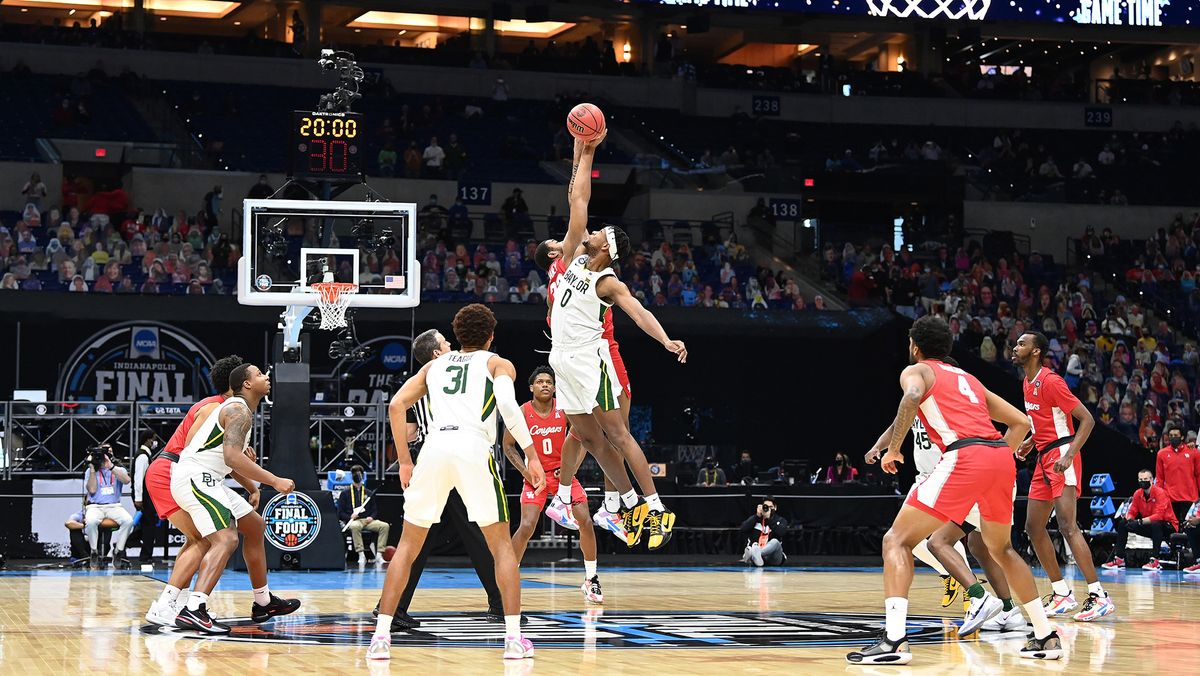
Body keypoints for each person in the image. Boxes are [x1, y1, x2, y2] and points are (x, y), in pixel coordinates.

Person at [846, 316, 1059, 665]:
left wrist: (894, 449)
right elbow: (1021, 422)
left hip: (965, 455)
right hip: (1000, 459)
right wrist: (1001, 457)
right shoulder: (968, 379)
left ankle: (895, 641)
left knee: (896, 541)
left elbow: (911, 397)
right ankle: (1045, 636)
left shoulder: (917, 371)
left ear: (915, 346)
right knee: (1002, 549)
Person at [370, 304, 539, 661]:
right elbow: (508, 406)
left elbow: (397, 405)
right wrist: (531, 455)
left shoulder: (433, 366)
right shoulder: (497, 363)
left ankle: (381, 637)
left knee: (406, 548)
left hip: (433, 450)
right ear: (491, 336)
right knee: (502, 548)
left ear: (457, 337)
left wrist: (403, 461)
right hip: (472, 447)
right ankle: (513, 639)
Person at [543, 133, 687, 551]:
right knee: (588, 439)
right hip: (563, 360)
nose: (587, 233)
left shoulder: (606, 280)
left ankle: (655, 506)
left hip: (592, 359)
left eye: (597, 234)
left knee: (618, 434)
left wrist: (665, 339)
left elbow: (638, 311)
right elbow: (577, 198)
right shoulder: (573, 257)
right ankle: (624, 504)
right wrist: (583, 151)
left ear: (607, 247)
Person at [142, 356, 300, 629]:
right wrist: (273, 480)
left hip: (207, 477)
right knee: (223, 539)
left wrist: (251, 481)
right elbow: (230, 458)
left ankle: (263, 602)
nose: (266, 376)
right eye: (260, 373)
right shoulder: (236, 409)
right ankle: (194, 607)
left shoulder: (238, 409)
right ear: (247, 383)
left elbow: (225, 456)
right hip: (193, 476)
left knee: (254, 525)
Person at [369, 328, 506, 630]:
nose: (451, 344)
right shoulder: (455, 371)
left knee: (414, 541)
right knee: (481, 533)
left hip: (429, 459)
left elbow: (404, 426)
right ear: (436, 353)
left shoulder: (419, 381)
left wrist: (405, 460)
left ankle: (390, 608)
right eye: (445, 343)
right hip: (461, 456)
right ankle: (501, 605)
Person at [1012, 332, 1113, 621]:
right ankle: (1061, 593)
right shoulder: (1026, 383)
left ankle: (1099, 595)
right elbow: (1045, 419)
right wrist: (1031, 441)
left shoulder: (1052, 381)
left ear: (1036, 351)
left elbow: (1087, 420)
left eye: (1022, 344)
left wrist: (1069, 455)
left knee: (1069, 527)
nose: (1016, 347)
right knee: (1033, 527)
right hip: (1043, 457)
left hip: (1062, 455)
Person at [865, 357, 974, 612]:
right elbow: (895, 427)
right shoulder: (914, 403)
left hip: (948, 475)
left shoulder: (949, 404)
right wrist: (877, 447)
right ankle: (950, 574)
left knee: (941, 537)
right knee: (901, 539)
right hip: (923, 477)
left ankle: (972, 589)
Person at [504, 366, 603, 604]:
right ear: (531, 387)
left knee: (585, 522)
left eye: (549, 381)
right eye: (540, 382)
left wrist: (572, 470)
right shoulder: (521, 412)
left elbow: (583, 440)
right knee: (526, 525)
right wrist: (527, 473)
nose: (545, 385)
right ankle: (509, 576)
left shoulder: (564, 409)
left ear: (555, 387)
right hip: (536, 476)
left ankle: (591, 579)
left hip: (563, 477)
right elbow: (508, 446)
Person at [1101, 469, 1179, 571]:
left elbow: (1159, 516)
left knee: (1156, 524)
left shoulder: (1160, 493)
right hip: (1148, 524)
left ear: (1151, 480)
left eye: (1145, 479)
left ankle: (1155, 561)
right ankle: (1119, 559)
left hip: (1168, 525)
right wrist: (1129, 520)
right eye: (1140, 479)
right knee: (1123, 523)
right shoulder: (1138, 493)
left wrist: (1139, 522)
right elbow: (1132, 511)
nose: (1143, 481)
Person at [83, 444, 134, 568]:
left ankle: (118, 551)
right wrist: (93, 468)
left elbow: (127, 480)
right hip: (95, 506)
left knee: (128, 521)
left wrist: (110, 467)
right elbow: (92, 490)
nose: (104, 455)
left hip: (114, 506)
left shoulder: (118, 469)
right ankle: (94, 552)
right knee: (90, 521)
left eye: (107, 452)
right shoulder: (90, 471)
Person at [338, 464, 391, 565]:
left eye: (359, 474)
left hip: (368, 521)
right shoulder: (345, 493)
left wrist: (371, 517)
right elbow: (340, 513)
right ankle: (361, 554)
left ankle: (379, 555)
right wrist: (350, 517)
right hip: (354, 521)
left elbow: (375, 510)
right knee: (355, 526)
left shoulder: (368, 493)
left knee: (384, 526)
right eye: (355, 474)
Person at [1155, 427, 1200, 528]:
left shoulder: (1194, 452)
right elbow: (1159, 478)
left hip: (1190, 498)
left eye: (1176, 436)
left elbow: (1198, 474)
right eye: (1171, 436)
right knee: (1172, 530)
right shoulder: (1161, 454)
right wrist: (1159, 497)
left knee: (1189, 530)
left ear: (1182, 437)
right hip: (1170, 499)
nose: (1173, 438)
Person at [740, 497, 787, 566]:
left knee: (775, 542)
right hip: (757, 553)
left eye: (771, 507)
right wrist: (756, 516)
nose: (768, 509)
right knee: (754, 545)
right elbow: (743, 529)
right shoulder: (755, 519)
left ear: (775, 507)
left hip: (773, 557)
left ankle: (754, 554)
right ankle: (755, 555)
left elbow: (781, 532)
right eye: (766, 507)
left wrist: (769, 519)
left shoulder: (780, 520)